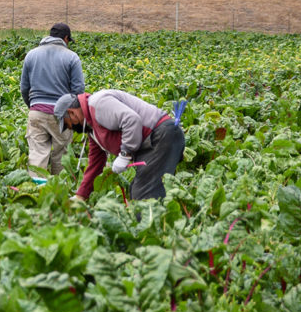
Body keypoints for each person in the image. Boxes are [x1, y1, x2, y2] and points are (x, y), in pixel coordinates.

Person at [53, 90, 186, 201]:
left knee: (144, 195)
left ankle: (153, 230)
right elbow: (95, 164)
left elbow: (131, 120)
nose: (70, 128)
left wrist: (125, 153)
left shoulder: (98, 104)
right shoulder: (92, 129)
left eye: (67, 124)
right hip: (156, 140)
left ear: (72, 113)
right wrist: (80, 196)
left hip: (161, 136)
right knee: (145, 191)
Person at [20, 23, 85, 182]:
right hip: (62, 115)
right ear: (65, 38)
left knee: (37, 154)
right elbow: (78, 90)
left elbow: (24, 87)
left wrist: (33, 107)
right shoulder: (71, 57)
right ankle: (59, 191)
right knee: (61, 156)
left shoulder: (31, 55)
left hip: (36, 111)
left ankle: (36, 192)